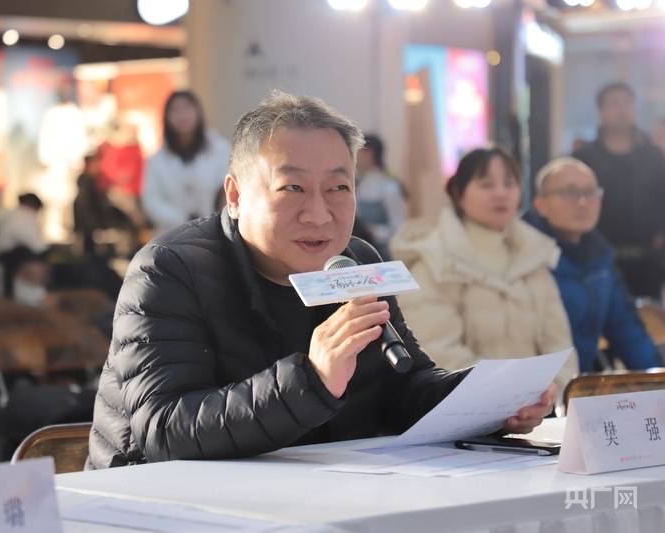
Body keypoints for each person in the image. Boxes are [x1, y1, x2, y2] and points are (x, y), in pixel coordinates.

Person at [87, 92, 556, 468]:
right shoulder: (169, 270)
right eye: (292, 188)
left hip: (321, 498)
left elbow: (403, 387)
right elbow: (164, 431)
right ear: (235, 194)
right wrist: (312, 380)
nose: (319, 213)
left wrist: (492, 403)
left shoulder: (355, 261)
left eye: (338, 187)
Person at [391, 147, 577, 390]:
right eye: (486, 185)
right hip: (464, 406)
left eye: (509, 183)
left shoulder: (535, 256)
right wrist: (510, 396)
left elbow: (560, 346)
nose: (501, 193)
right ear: (459, 194)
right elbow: (438, 352)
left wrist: (551, 394)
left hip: (539, 406)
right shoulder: (434, 262)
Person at [525, 157, 660, 372]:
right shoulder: (523, 257)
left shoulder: (601, 259)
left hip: (578, 385)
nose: (582, 202)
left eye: (590, 192)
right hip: (532, 385)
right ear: (540, 204)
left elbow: (626, 330)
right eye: (569, 192)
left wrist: (657, 380)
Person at [573, 82, 665, 298]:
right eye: (614, 103)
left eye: (627, 103)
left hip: (648, 260)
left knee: (648, 315)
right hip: (596, 257)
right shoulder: (584, 158)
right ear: (601, 111)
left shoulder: (653, 156)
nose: (622, 109)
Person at [141, 90, 230, 235]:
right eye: (175, 110)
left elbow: (228, 189)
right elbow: (151, 201)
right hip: (170, 236)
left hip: (214, 232)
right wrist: (183, 219)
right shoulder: (157, 160)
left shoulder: (220, 150)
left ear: (198, 112)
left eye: (187, 108)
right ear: (166, 117)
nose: (182, 115)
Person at [355, 134, 406, 257]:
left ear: (369, 154)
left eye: (357, 152)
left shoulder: (389, 187)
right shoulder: (359, 183)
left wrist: (375, 231)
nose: (354, 157)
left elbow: (399, 229)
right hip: (362, 247)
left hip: (382, 252)